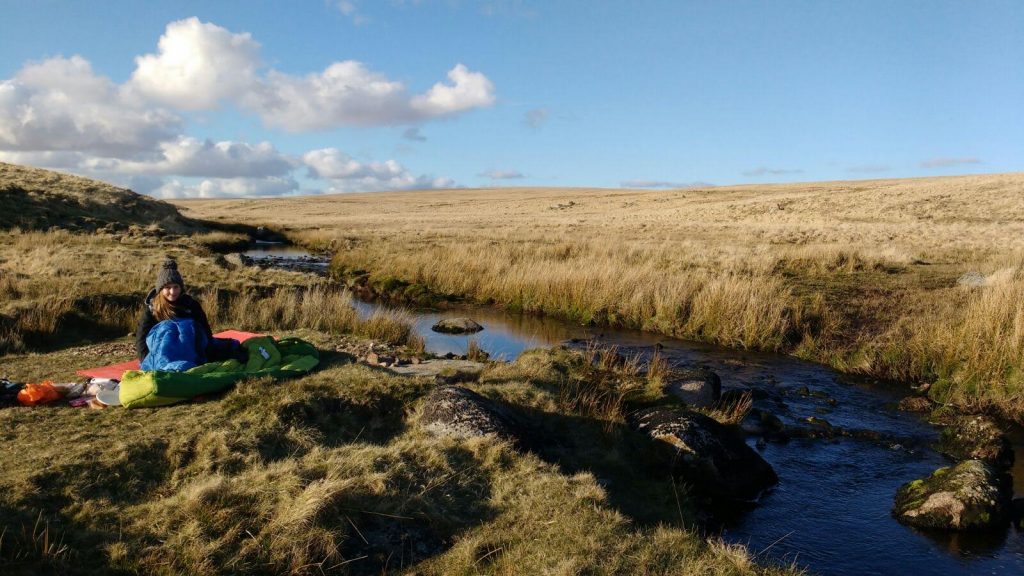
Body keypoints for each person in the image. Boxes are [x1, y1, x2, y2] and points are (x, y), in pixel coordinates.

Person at [136, 258, 242, 369]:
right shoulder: (153, 309)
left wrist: (207, 354)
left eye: (176, 287)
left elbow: (205, 330)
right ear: (160, 289)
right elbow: (141, 337)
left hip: (191, 351)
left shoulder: (191, 305)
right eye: (168, 287)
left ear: (181, 288)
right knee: (168, 328)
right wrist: (146, 360)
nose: (172, 292)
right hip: (163, 355)